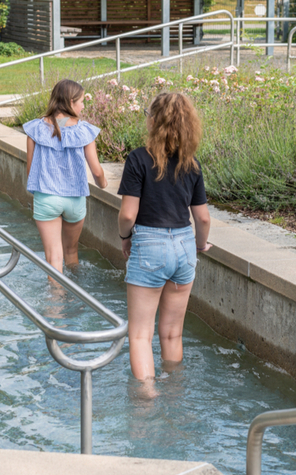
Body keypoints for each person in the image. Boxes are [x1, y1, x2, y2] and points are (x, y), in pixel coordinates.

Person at [117, 92, 212, 381]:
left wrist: (125, 238)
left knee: (140, 335)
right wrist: (200, 244)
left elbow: (127, 215)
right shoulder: (191, 164)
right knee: (172, 334)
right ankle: (173, 396)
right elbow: (203, 218)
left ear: (154, 121)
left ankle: (146, 403)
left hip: (149, 245)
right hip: (184, 248)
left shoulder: (138, 159)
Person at [24, 79, 108, 275]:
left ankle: (55, 304)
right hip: (75, 199)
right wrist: (103, 184)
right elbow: (96, 171)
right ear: (71, 102)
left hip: (46, 197)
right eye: (81, 101)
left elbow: (31, 171)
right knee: (71, 252)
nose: (83, 105)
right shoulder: (84, 130)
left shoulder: (35, 129)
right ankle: (77, 298)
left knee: (54, 258)